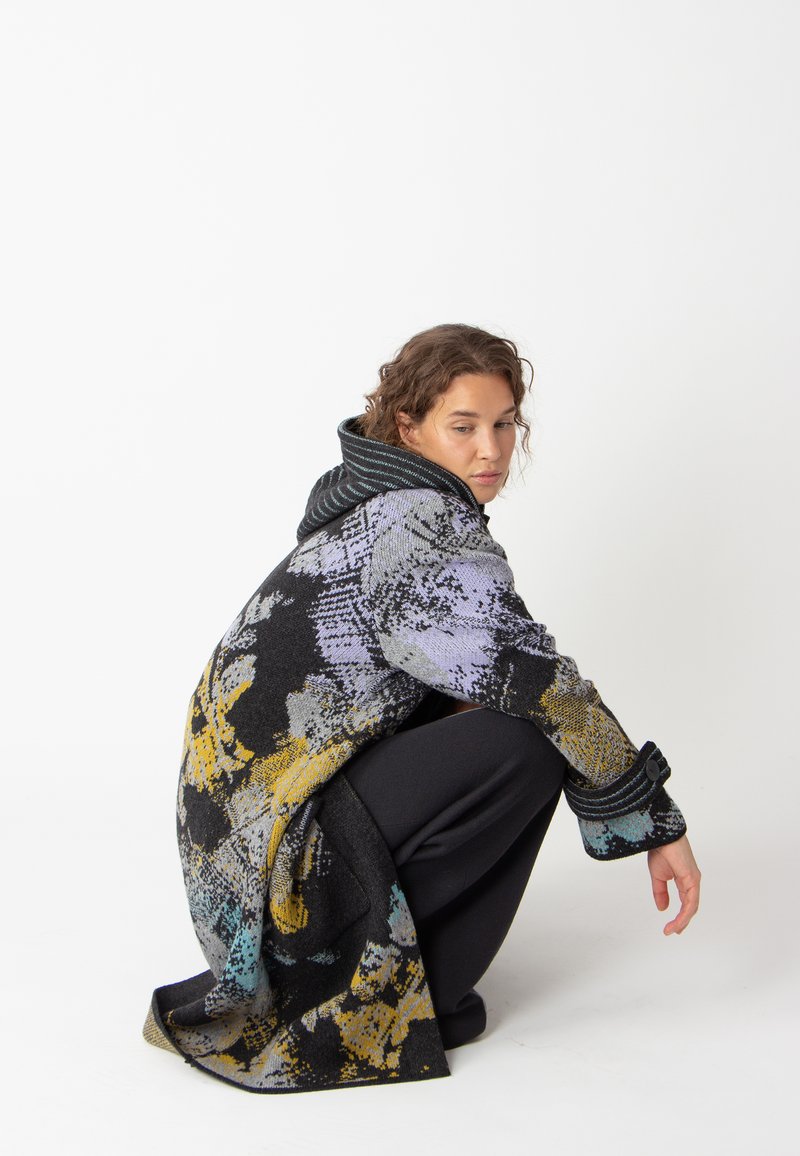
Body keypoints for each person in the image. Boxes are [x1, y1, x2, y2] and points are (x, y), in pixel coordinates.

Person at [143, 323, 701, 1094]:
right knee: (528, 739)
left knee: (489, 709)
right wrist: (656, 825)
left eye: (504, 424)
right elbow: (544, 684)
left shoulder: (374, 507)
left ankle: (399, 968)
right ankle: (389, 986)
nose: (491, 451)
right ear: (409, 429)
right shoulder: (419, 523)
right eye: (463, 427)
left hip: (246, 885)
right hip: (283, 886)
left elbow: (486, 672)